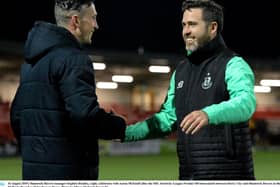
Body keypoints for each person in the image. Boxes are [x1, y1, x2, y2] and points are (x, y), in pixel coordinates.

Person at [125, 0, 256, 180]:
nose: (186, 31)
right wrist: (126, 132)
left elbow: (246, 103)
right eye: (184, 25)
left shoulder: (233, 65)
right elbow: (167, 118)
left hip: (229, 176)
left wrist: (208, 114)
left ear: (212, 28)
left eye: (193, 24)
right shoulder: (180, 71)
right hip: (188, 176)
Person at [10, 0, 126, 180]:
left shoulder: (30, 64)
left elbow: (17, 116)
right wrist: (118, 126)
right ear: (76, 21)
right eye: (93, 18)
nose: (96, 25)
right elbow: (85, 115)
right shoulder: (74, 59)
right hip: (68, 174)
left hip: (32, 174)